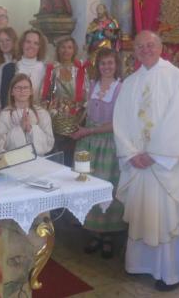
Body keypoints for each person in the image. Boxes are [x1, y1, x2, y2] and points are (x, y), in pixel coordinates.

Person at [112, 31, 179, 291]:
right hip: (139, 164)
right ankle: (142, 265)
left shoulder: (176, 78)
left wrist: (155, 154)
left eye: (150, 45)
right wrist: (131, 154)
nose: (145, 49)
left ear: (161, 47)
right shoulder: (130, 82)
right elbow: (120, 121)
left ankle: (171, 272)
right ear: (135, 51)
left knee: (167, 214)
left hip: (167, 163)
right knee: (145, 211)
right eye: (140, 46)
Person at [69, 48, 127, 259]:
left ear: (116, 65)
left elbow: (118, 123)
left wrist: (89, 130)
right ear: (98, 66)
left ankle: (109, 236)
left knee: (106, 188)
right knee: (88, 188)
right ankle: (94, 232)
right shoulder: (92, 86)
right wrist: (75, 126)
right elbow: (84, 113)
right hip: (88, 144)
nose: (106, 67)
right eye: (103, 63)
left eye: (110, 63)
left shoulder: (120, 88)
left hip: (107, 143)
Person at [43, 36, 87, 165]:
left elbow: (86, 92)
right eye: (63, 47)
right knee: (57, 155)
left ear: (74, 50)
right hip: (57, 119)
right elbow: (47, 95)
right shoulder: (52, 69)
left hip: (77, 118)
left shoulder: (81, 70)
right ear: (57, 50)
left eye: (69, 47)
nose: (66, 50)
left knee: (72, 155)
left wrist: (80, 111)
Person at [0, 73, 54, 155]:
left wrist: (31, 129)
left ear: (31, 91)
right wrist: (20, 129)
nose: (22, 91)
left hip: (38, 160)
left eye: (26, 88)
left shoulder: (42, 113)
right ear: (12, 92)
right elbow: (0, 143)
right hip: (14, 160)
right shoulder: (5, 115)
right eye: (18, 88)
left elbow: (49, 142)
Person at [0, 29, 48, 108]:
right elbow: (5, 100)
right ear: (22, 44)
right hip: (14, 115)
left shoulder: (46, 69)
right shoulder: (9, 69)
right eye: (28, 42)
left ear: (40, 47)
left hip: (40, 114)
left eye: (36, 43)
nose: (31, 46)